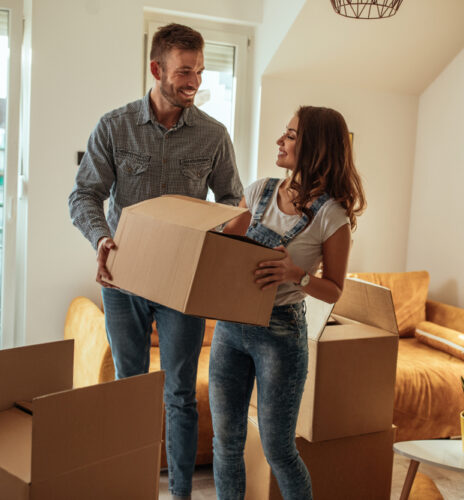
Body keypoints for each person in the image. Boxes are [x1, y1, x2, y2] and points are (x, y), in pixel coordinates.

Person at [68, 23, 243, 500]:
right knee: (131, 392)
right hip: (123, 280)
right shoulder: (115, 126)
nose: (194, 82)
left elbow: (233, 201)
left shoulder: (212, 136)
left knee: (180, 396)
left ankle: (181, 494)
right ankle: (133, 488)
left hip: (183, 286)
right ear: (156, 69)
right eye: (185, 71)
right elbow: (85, 194)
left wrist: (225, 242)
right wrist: (101, 239)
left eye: (200, 72)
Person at [208, 105, 366, 500]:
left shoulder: (333, 216)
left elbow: (333, 289)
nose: (280, 141)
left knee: (278, 449)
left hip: (280, 333)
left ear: (314, 147)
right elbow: (225, 246)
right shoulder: (259, 190)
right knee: (226, 442)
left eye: (291, 135)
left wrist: (296, 274)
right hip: (230, 327)